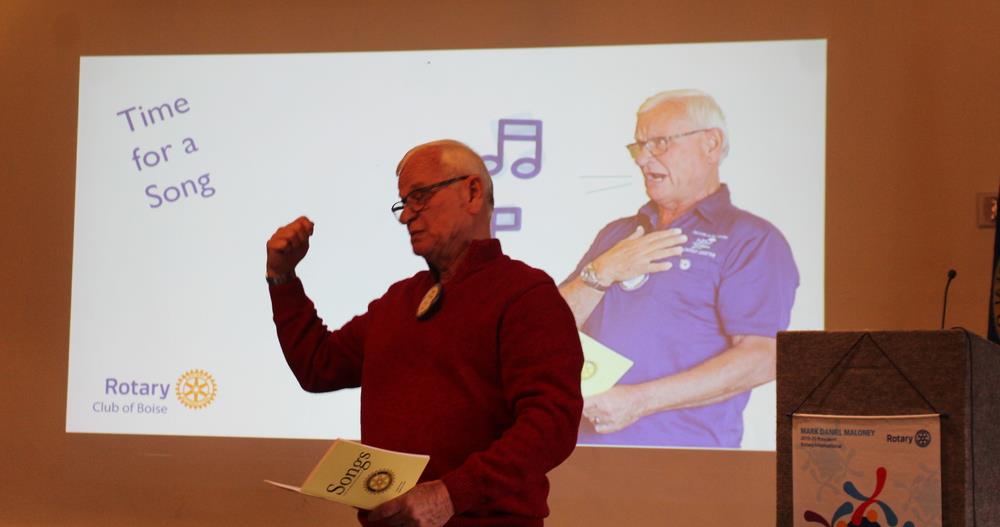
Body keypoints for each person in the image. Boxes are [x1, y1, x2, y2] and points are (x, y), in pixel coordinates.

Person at [266, 140, 583, 526]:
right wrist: (283, 277)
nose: (405, 216)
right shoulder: (400, 300)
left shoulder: (524, 294)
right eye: (403, 203)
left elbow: (552, 423)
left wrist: (451, 495)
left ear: (472, 192)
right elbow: (319, 367)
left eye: (419, 196)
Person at [561, 90, 799, 448]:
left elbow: (763, 357)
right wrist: (601, 271)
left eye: (659, 143)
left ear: (711, 144)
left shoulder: (750, 239)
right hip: (583, 453)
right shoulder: (617, 234)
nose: (643, 159)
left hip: (683, 461)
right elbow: (544, 330)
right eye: (638, 146)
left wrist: (639, 401)